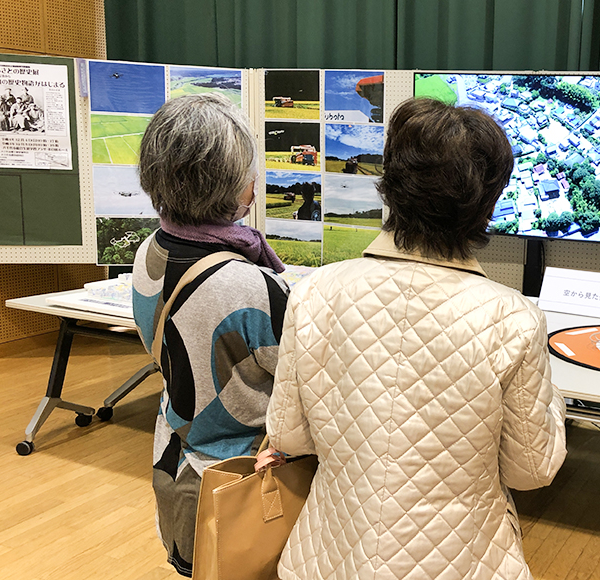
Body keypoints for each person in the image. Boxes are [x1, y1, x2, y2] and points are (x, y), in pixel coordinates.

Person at [267, 97, 567, 580]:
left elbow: (288, 435)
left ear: (390, 186)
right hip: (464, 559)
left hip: (330, 554)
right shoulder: (513, 317)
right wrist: (556, 406)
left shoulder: (314, 292)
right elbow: (530, 471)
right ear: (487, 203)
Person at [131, 93, 290, 577]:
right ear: (230, 186)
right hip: (242, 480)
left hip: (175, 460)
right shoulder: (252, 286)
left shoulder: (148, 253)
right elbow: (305, 382)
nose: (255, 182)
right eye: (248, 170)